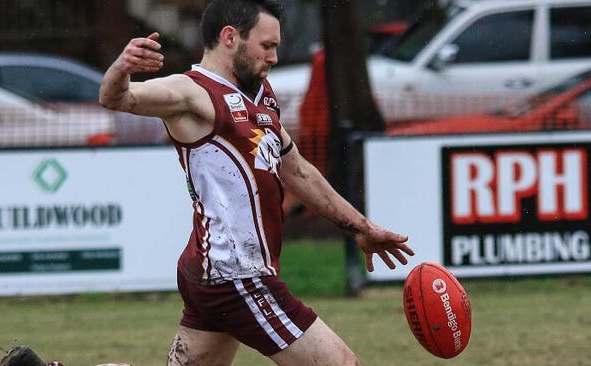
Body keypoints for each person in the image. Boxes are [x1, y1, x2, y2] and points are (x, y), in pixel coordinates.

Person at [99, 1, 414, 365]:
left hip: (215, 272)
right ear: (230, 37)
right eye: (267, 46)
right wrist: (122, 68)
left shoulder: (262, 96)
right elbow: (116, 98)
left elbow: (298, 171)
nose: (275, 57)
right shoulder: (191, 92)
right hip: (234, 274)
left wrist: (361, 227)